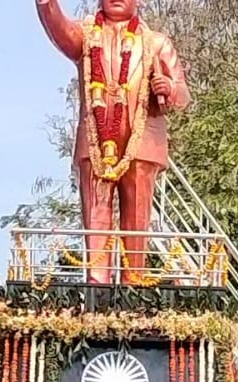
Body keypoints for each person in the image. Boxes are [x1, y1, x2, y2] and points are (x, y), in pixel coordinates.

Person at [36, 0, 190, 283]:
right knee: (96, 219)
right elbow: (60, 30)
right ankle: (97, 294)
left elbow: (182, 93)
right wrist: (46, 4)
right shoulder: (86, 35)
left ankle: (134, 291)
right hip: (96, 144)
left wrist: (168, 87)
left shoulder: (156, 43)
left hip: (141, 145)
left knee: (136, 223)